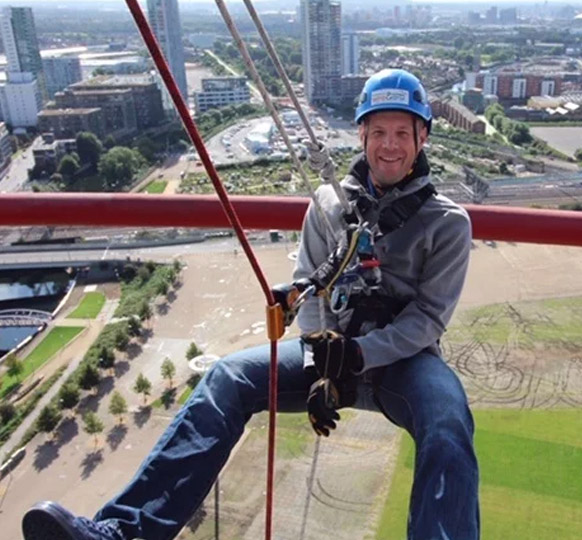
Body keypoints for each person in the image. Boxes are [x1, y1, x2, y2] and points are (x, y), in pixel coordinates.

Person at [22, 68, 479, 540]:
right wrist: (327, 361)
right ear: (361, 134)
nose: (390, 145)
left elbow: (427, 318)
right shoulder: (328, 204)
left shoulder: (447, 224)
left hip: (403, 364)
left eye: (402, 133)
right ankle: (125, 531)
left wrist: (359, 355)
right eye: (379, 131)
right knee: (228, 378)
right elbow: (308, 285)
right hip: (328, 355)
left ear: (422, 136)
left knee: (447, 419)